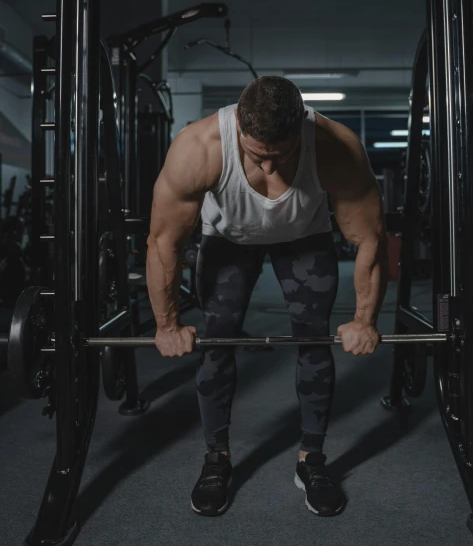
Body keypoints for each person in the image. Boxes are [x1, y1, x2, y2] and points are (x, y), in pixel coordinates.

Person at [147, 76, 388, 518]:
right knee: (217, 340)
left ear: (302, 128)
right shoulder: (198, 146)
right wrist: (166, 326)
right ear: (238, 123)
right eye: (260, 156)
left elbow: (370, 238)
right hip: (226, 237)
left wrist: (364, 321)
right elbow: (163, 241)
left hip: (304, 236)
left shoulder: (336, 146)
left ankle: (311, 459)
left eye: (283, 155)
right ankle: (216, 457)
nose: (272, 169)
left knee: (314, 340)